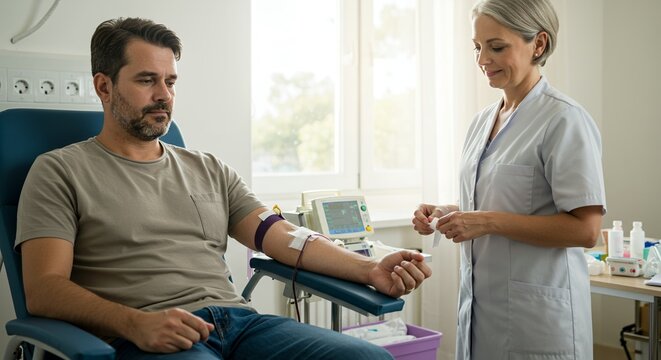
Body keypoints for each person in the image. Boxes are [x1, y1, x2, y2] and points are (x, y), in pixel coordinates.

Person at [16, 17, 432, 360]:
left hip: (240, 324)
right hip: (148, 333)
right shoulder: (59, 171)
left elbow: (282, 236)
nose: (164, 95)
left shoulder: (208, 168)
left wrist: (369, 270)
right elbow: (44, 289)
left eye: (171, 81)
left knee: (369, 359)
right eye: (147, 80)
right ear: (104, 86)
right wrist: (134, 323)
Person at [412, 0, 605, 359]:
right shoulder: (481, 122)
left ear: (539, 44)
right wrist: (448, 212)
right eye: (477, 47)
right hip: (481, 312)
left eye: (496, 46)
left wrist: (485, 221)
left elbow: (586, 230)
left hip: (538, 320)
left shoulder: (565, 120)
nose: (482, 59)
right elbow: (502, 201)